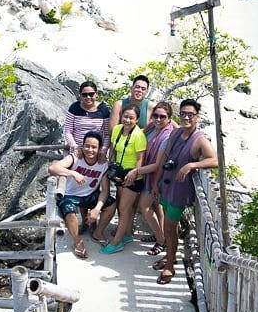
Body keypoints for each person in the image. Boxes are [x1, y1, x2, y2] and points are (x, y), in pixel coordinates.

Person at [152, 99, 218, 284]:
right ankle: (169, 256)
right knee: (168, 224)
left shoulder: (199, 139)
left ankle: (170, 266)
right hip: (166, 184)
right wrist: (156, 183)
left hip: (179, 190)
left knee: (170, 228)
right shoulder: (175, 133)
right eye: (183, 114)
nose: (186, 117)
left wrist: (192, 164)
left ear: (197, 117)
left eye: (190, 114)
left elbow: (216, 160)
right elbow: (164, 158)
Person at [48, 131, 115, 259]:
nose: (90, 150)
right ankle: (77, 241)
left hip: (89, 194)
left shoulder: (103, 164)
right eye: (87, 146)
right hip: (70, 195)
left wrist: (97, 209)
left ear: (100, 149)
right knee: (69, 211)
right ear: (82, 146)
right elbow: (52, 168)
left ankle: (98, 233)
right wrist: (74, 173)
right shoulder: (75, 157)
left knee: (112, 203)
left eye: (94, 147)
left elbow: (105, 190)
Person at [101, 105, 147, 254]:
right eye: (125, 116)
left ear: (137, 120)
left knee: (123, 208)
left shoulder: (139, 136)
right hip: (119, 173)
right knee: (123, 207)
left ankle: (116, 242)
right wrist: (112, 165)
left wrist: (134, 173)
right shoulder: (117, 129)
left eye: (131, 118)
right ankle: (126, 234)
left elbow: (141, 158)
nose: (127, 120)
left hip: (133, 177)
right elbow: (113, 149)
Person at [137, 101, 176, 256]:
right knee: (156, 207)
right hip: (150, 174)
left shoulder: (167, 135)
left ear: (169, 119)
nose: (158, 119)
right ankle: (160, 234)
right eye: (155, 116)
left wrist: (136, 171)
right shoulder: (153, 127)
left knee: (144, 207)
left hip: (158, 177)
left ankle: (161, 241)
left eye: (162, 117)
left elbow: (158, 165)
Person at [62, 81, 110, 156]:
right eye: (84, 95)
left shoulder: (103, 109)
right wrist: (75, 146)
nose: (88, 97)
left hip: (95, 153)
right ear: (80, 95)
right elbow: (68, 131)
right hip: (77, 152)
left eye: (91, 94)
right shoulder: (74, 108)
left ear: (96, 94)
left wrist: (103, 150)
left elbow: (107, 134)